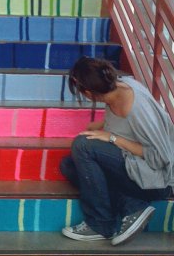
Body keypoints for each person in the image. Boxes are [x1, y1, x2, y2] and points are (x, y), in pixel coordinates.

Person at [60, 57, 174, 246]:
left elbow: (161, 158)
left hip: (159, 180)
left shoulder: (137, 109)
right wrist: (102, 125)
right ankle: (132, 207)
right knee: (69, 166)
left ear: (88, 92)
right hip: (136, 167)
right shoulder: (118, 87)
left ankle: (100, 224)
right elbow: (124, 123)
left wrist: (112, 137)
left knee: (83, 146)